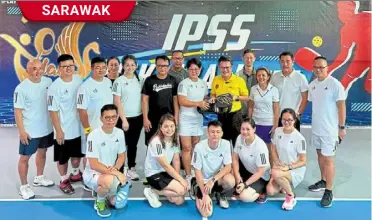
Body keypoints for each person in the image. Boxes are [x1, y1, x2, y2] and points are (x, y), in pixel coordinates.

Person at [307, 56, 346, 208]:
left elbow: (342, 106)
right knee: (320, 155)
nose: (318, 70)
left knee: (329, 160)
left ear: (327, 67)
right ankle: (323, 180)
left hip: (330, 131)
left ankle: (329, 190)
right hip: (316, 129)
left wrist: (341, 128)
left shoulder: (335, 84)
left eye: (321, 67)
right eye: (316, 67)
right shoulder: (313, 85)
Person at [14, 59, 55, 200]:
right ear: (27, 71)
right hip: (30, 131)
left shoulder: (48, 82)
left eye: (40, 68)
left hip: (46, 128)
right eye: (34, 69)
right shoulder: (21, 88)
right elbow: (17, 111)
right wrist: (22, 131)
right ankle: (24, 186)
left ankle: (39, 177)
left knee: (42, 153)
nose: (38, 71)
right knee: (25, 158)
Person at [83, 104, 130, 217]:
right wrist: (117, 173)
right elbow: (94, 164)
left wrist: (116, 169)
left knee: (117, 204)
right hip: (93, 173)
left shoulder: (119, 133)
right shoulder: (93, 136)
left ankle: (99, 189)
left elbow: (122, 156)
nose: (111, 120)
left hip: (109, 171)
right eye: (107, 118)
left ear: (118, 117)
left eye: (114, 117)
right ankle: (99, 202)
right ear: (101, 119)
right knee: (108, 181)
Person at [47, 54, 85, 194]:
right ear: (59, 68)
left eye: (71, 65)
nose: (69, 68)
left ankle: (75, 174)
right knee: (63, 159)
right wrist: (59, 130)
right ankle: (63, 180)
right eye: (65, 66)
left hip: (78, 129)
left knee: (76, 158)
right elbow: (52, 111)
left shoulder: (78, 80)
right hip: (63, 131)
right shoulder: (54, 87)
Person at [77, 56, 113, 191]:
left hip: (108, 128)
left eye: (104, 67)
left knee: (104, 154)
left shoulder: (108, 82)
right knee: (89, 155)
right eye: (98, 68)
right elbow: (81, 110)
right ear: (92, 68)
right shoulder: (85, 87)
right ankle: (88, 180)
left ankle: (102, 177)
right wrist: (87, 130)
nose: (101, 70)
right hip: (92, 129)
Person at [191, 120, 235, 218]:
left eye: (218, 132)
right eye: (212, 131)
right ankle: (198, 190)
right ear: (207, 133)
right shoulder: (199, 147)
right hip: (202, 181)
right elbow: (197, 171)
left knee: (230, 181)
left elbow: (228, 166)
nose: (215, 134)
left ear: (222, 133)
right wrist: (204, 194)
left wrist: (213, 180)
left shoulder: (226, 144)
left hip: (215, 179)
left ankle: (220, 194)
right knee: (206, 213)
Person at [143, 113, 187, 208]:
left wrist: (178, 177)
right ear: (161, 127)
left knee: (179, 200)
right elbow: (166, 165)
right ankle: (152, 191)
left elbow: (176, 160)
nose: (169, 129)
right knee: (181, 190)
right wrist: (181, 180)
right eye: (166, 126)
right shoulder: (156, 142)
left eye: (172, 126)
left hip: (165, 172)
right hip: (153, 174)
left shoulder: (174, 139)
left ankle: (158, 191)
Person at [266, 108, 307, 211]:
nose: (286, 122)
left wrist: (288, 167)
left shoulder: (300, 138)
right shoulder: (278, 131)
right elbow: (273, 148)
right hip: (280, 167)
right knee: (270, 191)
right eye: (284, 119)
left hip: (294, 170)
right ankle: (283, 184)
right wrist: (276, 161)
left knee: (275, 173)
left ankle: (290, 196)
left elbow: (303, 161)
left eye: (289, 120)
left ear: (294, 120)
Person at [177, 58, 209, 187]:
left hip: (198, 119)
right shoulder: (183, 84)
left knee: (196, 146)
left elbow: (205, 100)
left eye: (196, 69)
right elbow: (182, 101)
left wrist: (207, 103)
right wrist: (198, 103)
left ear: (200, 70)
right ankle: (188, 175)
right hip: (185, 118)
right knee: (186, 148)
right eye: (191, 69)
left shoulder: (203, 84)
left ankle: (195, 172)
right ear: (187, 70)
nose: (194, 71)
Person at [113, 55, 144, 181]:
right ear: (123, 66)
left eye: (132, 65)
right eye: (127, 65)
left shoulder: (140, 80)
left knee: (133, 145)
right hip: (123, 119)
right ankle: (119, 170)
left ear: (136, 66)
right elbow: (117, 102)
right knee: (120, 145)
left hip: (138, 118)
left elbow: (143, 99)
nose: (130, 67)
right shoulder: (118, 81)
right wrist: (124, 119)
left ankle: (131, 168)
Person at [210, 56, 249, 146]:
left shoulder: (239, 80)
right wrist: (212, 97)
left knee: (238, 143)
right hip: (221, 116)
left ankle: (237, 160)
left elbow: (247, 97)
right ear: (219, 67)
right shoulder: (216, 79)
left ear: (231, 67)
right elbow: (213, 93)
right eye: (222, 67)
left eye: (227, 67)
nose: (225, 70)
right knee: (223, 143)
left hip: (236, 116)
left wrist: (236, 97)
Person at [142, 55, 179, 146]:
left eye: (165, 66)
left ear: (169, 66)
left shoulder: (173, 80)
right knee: (151, 144)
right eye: (160, 65)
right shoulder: (149, 80)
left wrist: (176, 118)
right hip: (152, 119)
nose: (162, 68)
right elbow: (144, 100)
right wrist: (145, 118)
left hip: (169, 118)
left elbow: (175, 101)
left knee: (169, 144)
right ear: (156, 66)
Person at [232, 118, 271, 204]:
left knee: (244, 197)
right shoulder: (239, 138)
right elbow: (235, 158)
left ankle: (262, 191)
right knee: (230, 174)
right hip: (246, 170)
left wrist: (245, 184)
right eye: (243, 129)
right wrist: (237, 175)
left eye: (248, 129)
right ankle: (243, 186)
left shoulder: (261, 147)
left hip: (261, 176)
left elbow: (261, 172)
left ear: (254, 129)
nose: (245, 132)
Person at [248, 67, 279, 164]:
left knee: (269, 151)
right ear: (256, 77)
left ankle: (270, 174)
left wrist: (275, 124)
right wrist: (249, 122)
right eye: (259, 75)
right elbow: (250, 107)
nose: (261, 77)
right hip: (256, 123)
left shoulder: (274, 90)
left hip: (268, 124)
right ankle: (258, 173)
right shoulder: (253, 89)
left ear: (268, 77)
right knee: (256, 150)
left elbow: (276, 109)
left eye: (263, 75)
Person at [271, 51, 309, 131]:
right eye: (282, 61)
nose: (285, 64)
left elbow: (305, 98)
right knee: (277, 141)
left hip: (292, 118)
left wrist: (298, 114)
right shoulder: (274, 77)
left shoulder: (300, 77)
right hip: (277, 117)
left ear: (293, 62)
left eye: (287, 61)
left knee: (293, 142)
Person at [237, 49, 258, 116]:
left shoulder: (259, 75)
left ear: (254, 59)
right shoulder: (237, 75)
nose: (249, 60)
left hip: (256, 111)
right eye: (246, 58)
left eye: (251, 58)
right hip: (241, 111)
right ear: (243, 58)